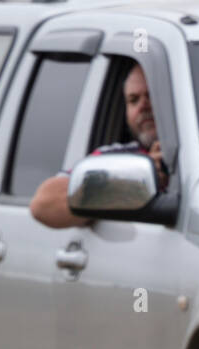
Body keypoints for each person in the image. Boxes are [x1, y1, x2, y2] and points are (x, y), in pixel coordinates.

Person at [30, 63, 167, 229]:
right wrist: (135, 184)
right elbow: (43, 204)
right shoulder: (117, 158)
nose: (143, 106)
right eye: (133, 100)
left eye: (151, 95)